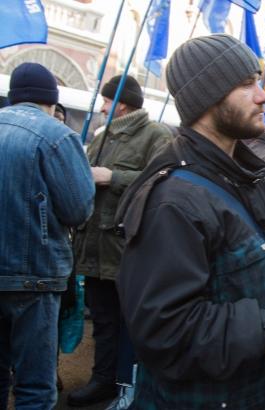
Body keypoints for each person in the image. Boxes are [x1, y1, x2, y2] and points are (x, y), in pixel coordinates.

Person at [114, 34, 265, 409]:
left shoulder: (244, 177)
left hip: (255, 391)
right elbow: (165, 329)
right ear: (208, 97)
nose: (264, 96)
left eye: (258, 82)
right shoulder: (173, 201)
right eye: (247, 85)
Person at [69, 74, 173, 407]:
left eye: (105, 101)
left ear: (121, 103)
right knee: (103, 320)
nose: (101, 107)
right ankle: (103, 380)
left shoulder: (155, 136)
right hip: (95, 248)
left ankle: (130, 384)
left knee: (133, 323)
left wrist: (113, 177)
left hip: (127, 250)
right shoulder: (102, 138)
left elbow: (161, 181)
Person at [0, 62, 94, 409]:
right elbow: (79, 210)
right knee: (34, 388)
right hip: (34, 278)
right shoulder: (58, 136)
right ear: (52, 101)